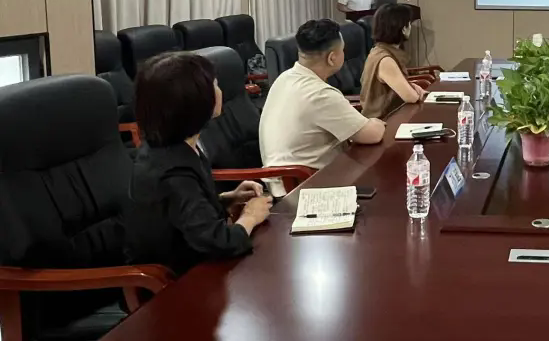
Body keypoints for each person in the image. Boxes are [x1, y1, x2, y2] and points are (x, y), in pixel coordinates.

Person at [125, 52, 272, 274]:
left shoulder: (172, 145)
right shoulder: (173, 173)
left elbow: (182, 214)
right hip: (174, 283)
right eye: (215, 85)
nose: (220, 92)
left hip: (196, 265)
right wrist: (249, 217)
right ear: (194, 102)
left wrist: (228, 198)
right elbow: (218, 242)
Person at [260, 19, 387, 196]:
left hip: (285, 183)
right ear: (332, 58)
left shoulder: (284, 78)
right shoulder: (319, 94)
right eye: (343, 50)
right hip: (303, 189)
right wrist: (376, 122)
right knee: (385, 184)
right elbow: (372, 135)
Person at [358, 3, 426, 118]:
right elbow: (411, 97)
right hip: (383, 121)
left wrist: (412, 87)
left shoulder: (378, 50)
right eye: (409, 23)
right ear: (403, 29)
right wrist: (413, 91)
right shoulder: (386, 60)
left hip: (393, 115)